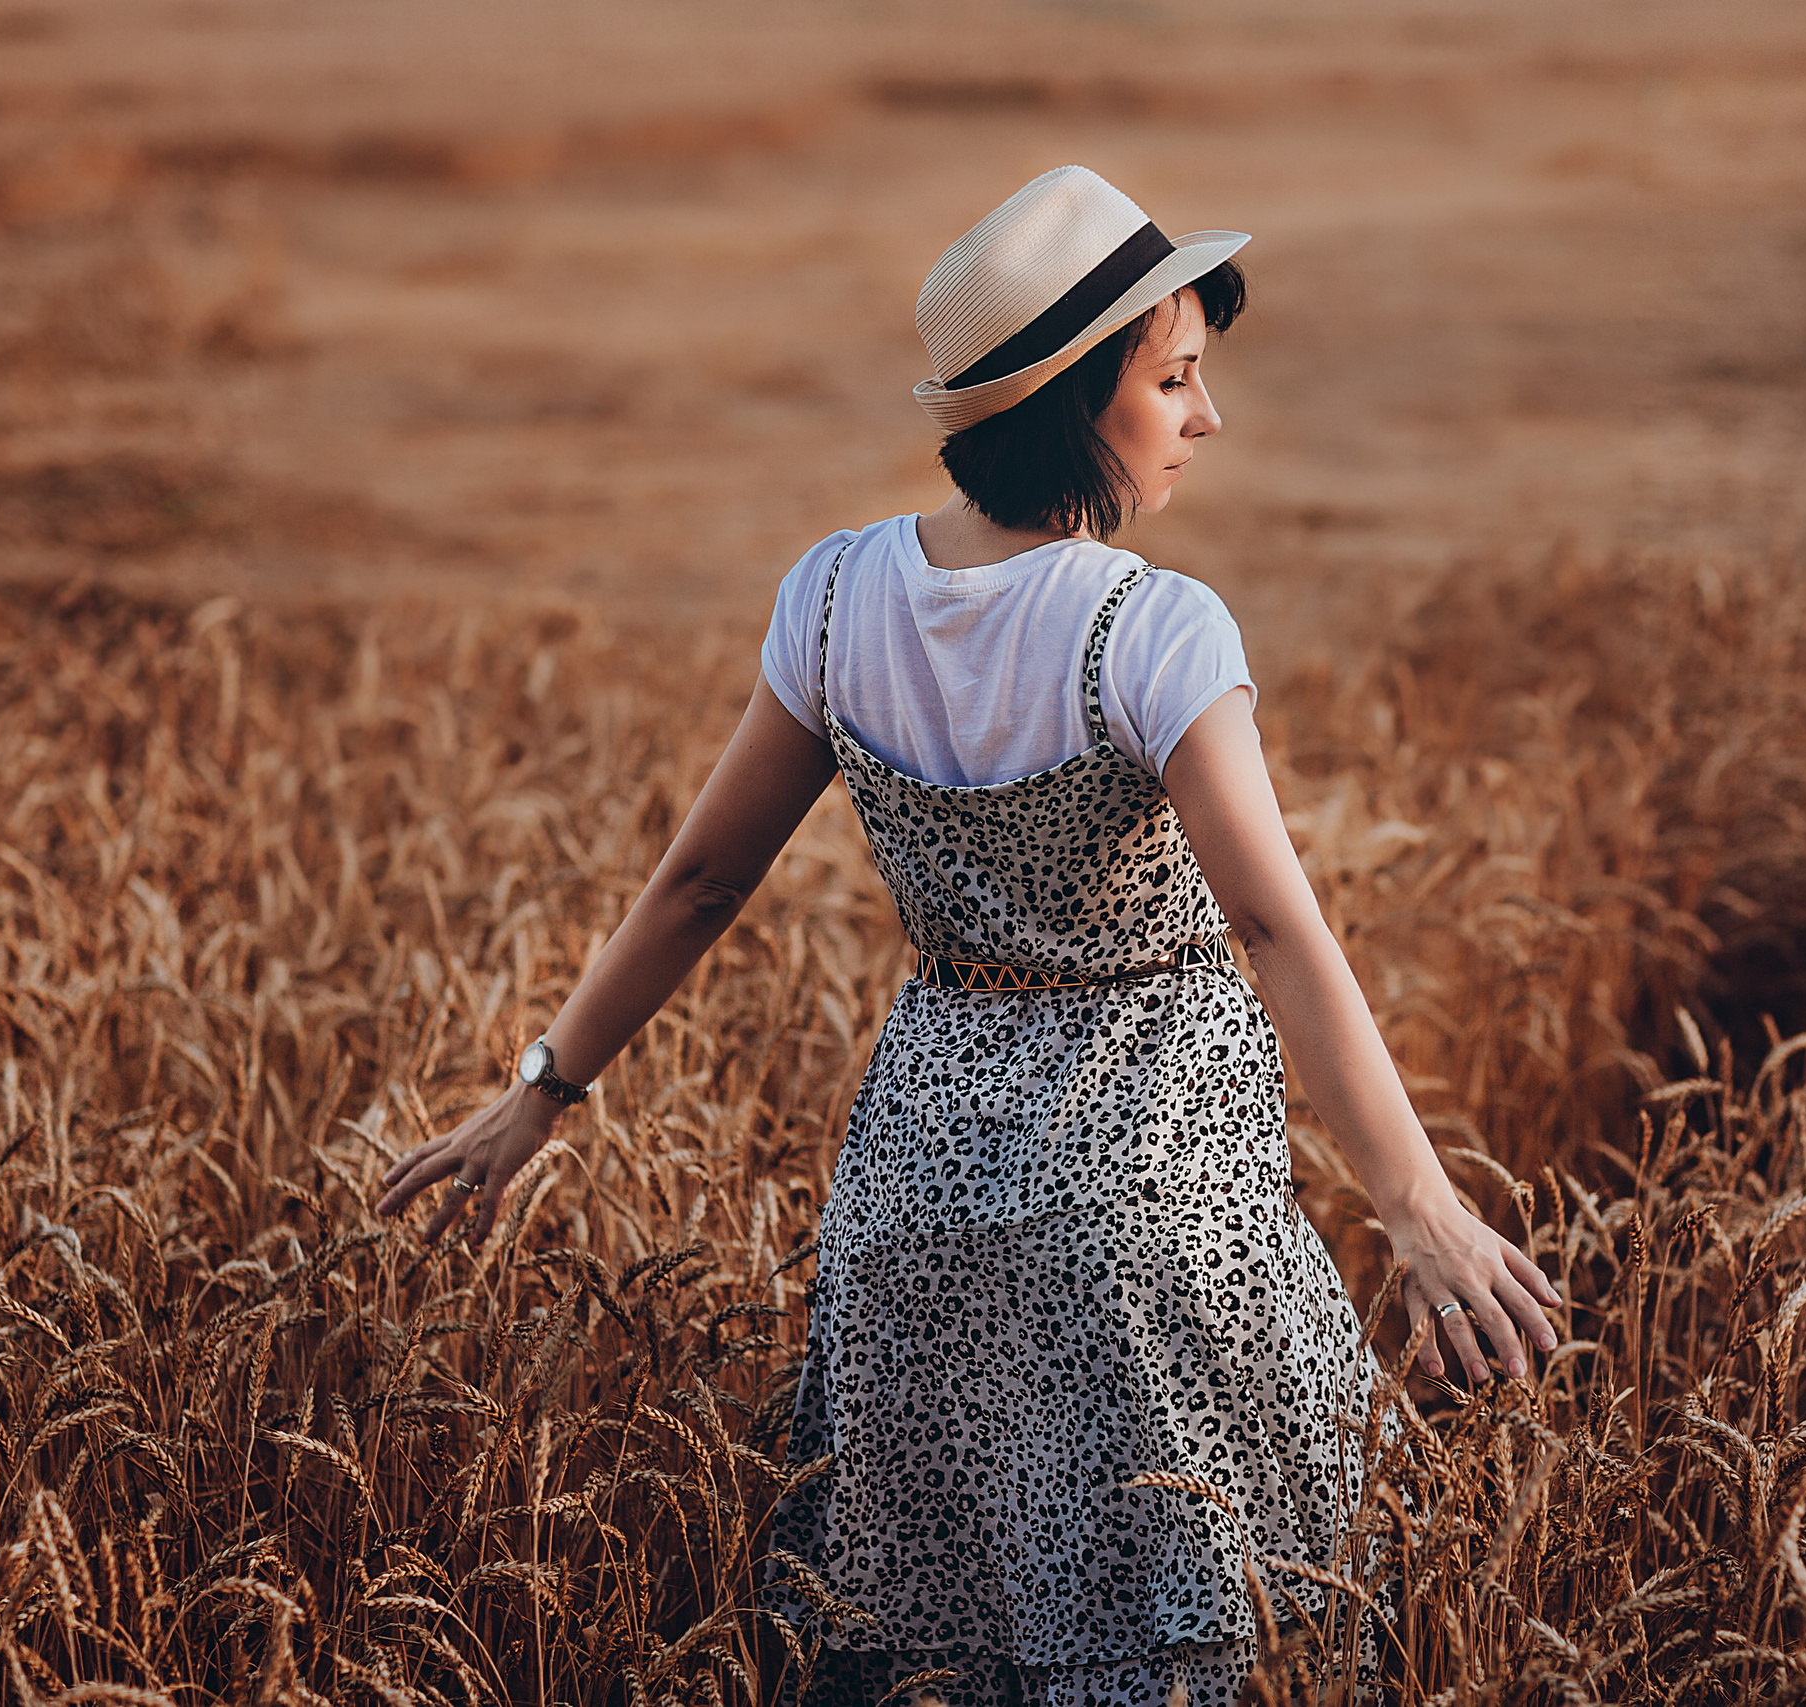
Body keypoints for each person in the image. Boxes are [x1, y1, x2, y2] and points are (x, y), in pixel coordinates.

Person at [375, 164, 1560, 1706]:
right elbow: (1272, 925)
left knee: (933, 1645)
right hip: (1153, 1189)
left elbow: (697, 886)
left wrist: (538, 1094)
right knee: (1255, 1617)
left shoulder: (831, 598)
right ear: (1079, 401)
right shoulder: (1152, 626)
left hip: (913, 1198)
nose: (1208, 419)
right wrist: (1415, 1206)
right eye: (1176, 378)